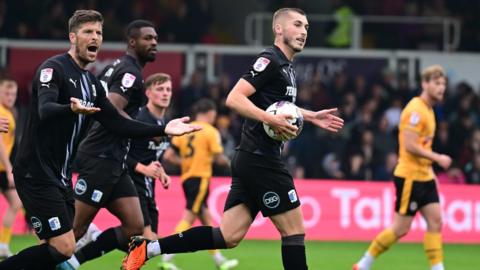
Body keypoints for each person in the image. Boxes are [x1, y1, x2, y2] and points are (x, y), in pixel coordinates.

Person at [122, 8, 344, 270]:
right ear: (279, 29)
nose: (304, 31)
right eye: (297, 25)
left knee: (227, 236)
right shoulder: (270, 60)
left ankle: (148, 248)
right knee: (294, 232)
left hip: (250, 158)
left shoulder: (287, 67)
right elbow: (234, 98)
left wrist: (311, 116)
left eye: (306, 26)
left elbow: (279, 107)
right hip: (263, 161)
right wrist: (270, 120)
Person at [0, 10, 199, 270]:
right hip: (35, 172)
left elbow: (118, 122)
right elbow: (44, 108)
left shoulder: (91, 83)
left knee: (59, 247)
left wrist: (163, 130)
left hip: (61, 176)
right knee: (64, 247)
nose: (95, 37)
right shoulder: (53, 68)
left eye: (98, 33)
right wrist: (69, 109)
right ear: (73, 37)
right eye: (88, 32)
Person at [59, 20, 179, 270]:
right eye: (148, 38)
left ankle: (76, 262)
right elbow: (111, 108)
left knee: (135, 228)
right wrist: (149, 131)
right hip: (100, 156)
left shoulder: (117, 66)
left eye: (155, 38)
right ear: (132, 42)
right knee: (74, 231)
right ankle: (46, 263)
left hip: (115, 160)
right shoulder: (129, 72)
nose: (154, 42)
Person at [353, 65, 452, 270]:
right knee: (400, 228)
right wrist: (438, 158)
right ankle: (364, 263)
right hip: (410, 177)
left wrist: (431, 172)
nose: (441, 87)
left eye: (443, 83)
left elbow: (424, 144)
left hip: (424, 176)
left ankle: (437, 268)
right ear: (425, 84)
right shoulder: (415, 109)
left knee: (436, 221)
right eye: (436, 83)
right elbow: (409, 145)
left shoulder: (430, 110)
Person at [159, 98, 238, 270]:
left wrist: (187, 162)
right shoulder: (210, 131)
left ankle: (219, 261)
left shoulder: (185, 129)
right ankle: (166, 256)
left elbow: (169, 156)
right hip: (201, 178)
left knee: (206, 220)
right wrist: (232, 163)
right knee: (189, 217)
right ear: (210, 113)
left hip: (187, 178)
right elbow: (218, 157)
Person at [126, 72, 173, 241]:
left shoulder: (165, 122)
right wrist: (143, 168)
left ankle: (96, 240)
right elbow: (120, 152)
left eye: (168, 89)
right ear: (148, 93)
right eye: (160, 89)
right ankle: (94, 240)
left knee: (144, 244)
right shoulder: (138, 118)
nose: (165, 93)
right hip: (131, 184)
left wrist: (162, 172)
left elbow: (153, 154)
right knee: (148, 239)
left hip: (149, 188)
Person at [0, 78, 20, 259]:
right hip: (1, 168)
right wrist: (8, 169)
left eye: (13, 94)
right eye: (6, 93)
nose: (10, 97)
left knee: (16, 203)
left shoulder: (9, 112)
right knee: (16, 203)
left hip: (2, 168)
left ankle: (3, 245)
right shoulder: (1, 113)